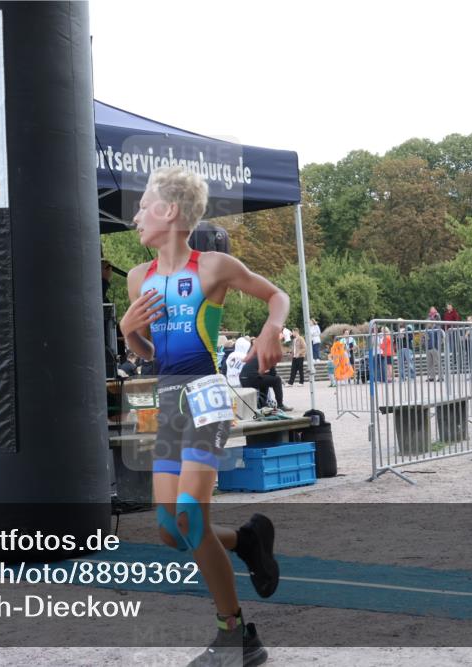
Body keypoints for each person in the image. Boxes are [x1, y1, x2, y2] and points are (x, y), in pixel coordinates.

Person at [119, 166, 285, 665]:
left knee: (190, 517)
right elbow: (150, 354)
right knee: (171, 530)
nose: (135, 217)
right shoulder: (138, 279)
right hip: (167, 400)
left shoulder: (213, 266)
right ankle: (246, 540)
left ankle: (235, 635)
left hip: (206, 396)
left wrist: (271, 330)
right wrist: (128, 333)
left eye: (142, 207)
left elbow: (276, 296)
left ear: (170, 211)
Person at [240, 345, 292, 412]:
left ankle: (263, 404)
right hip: (251, 378)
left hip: (243, 378)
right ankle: (280, 405)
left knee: (265, 380)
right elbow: (273, 373)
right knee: (277, 380)